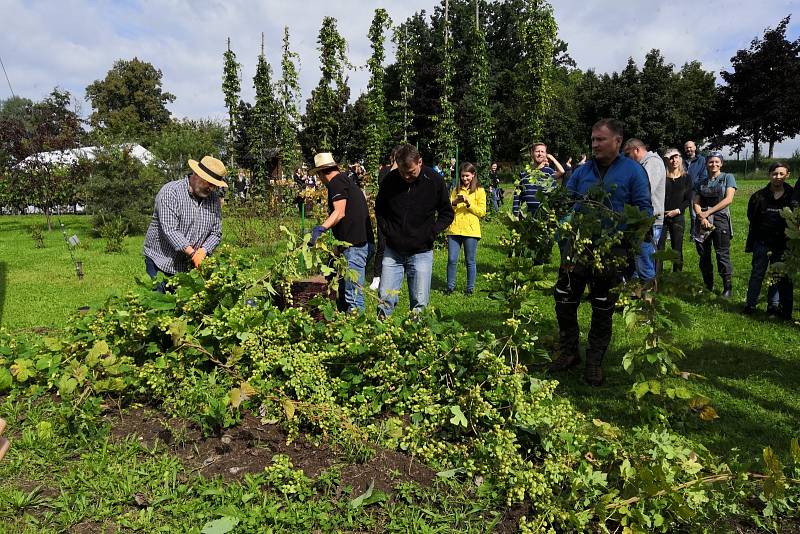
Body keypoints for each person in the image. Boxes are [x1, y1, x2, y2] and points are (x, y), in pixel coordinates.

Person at [549, 119, 652, 386]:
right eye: (593, 139)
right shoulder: (582, 172)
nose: (594, 144)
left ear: (617, 141)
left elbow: (644, 211)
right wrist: (564, 237)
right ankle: (569, 351)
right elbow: (568, 204)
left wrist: (628, 243)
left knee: (603, 306)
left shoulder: (633, 172)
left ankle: (594, 361)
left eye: (600, 140)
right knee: (564, 299)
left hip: (611, 250)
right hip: (579, 247)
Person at [375, 143, 454, 317]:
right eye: (403, 173)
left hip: (421, 251)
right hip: (393, 251)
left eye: (411, 173)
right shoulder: (390, 180)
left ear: (420, 162)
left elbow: (447, 213)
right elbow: (379, 208)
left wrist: (431, 233)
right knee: (385, 299)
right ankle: (379, 335)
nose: (406, 177)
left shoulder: (434, 181)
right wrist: (387, 230)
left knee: (420, 302)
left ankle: (416, 339)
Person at [142, 155, 226, 291]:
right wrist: (193, 253)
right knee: (159, 305)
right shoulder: (171, 192)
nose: (212, 188)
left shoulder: (214, 200)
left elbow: (216, 233)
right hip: (161, 261)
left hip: (188, 266)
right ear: (197, 174)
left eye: (215, 185)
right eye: (209, 183)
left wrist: (203, 251)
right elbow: (170, 230)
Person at [308, 153, 374, 313]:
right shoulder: (345, 181)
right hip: (355, 245)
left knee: (353, 296)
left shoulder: (336, 183)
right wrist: (337, 250)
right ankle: (347, 327)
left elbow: (340, 212)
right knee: (345, 292)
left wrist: (320, 228)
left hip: (356, 247)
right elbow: (350, 219)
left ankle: (360, 332)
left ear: (321, 173)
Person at [744, 162, 794, 318]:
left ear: (787, 175)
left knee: (776, 276)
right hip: (762, 242)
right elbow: (752, 216)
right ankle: (750, 305)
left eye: (781, 174)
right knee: (757, 273)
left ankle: (773, 306)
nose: (777, 177)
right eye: (774, 174)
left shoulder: (793, 196)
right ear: (769, 175)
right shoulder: (758, 196)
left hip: (783, 243)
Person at [693, 151, 737, 298]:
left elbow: (728, 199)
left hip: (720, 219)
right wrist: (701, 216)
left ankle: (727, 287)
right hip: (703, 220)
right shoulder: (701, 183)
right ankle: (707, 285)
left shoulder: (727, 178)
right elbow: (696, 203)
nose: (714, 164)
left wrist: (709, 212)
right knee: (704, 255)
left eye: (717, 162)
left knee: (722, 254)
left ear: (721, 163)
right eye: (711, 162)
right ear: (706, 164)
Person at [623, 139, 666, 283]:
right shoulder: (644, 164)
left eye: (628, 154)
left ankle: (649, 298)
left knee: (644, 260)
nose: (627, 159)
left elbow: (644, 190)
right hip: (640, 219)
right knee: (637, 259)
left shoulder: (652, 162)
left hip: (649, 220)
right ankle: (637, 295)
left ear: (636, 150)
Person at [445, 162, 487, 295]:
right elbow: (448, 207)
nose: (465, 179)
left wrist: (469, 204)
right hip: (455, 228)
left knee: (470, 260)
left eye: (468, 176)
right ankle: (450, 287)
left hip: (471, 230)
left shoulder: (480, 191)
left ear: (473, 175)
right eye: (463, 176)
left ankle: (470, 288)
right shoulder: (455, 190)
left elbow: (482, 212)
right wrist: (454, 203)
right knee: (452, 259)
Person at [657, 148, 693, 272]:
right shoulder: (661, 177)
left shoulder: (686, 178)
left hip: (677, 217)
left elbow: (689, 199)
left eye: (676, 157)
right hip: (661, 217)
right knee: (659, 248)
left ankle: (677, 277)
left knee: (677, 249)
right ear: (666, 161)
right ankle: (657, 278)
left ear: (680, 158)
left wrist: (677, 210)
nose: (674, 160)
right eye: (670, 158)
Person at [370, 151, 397, 291]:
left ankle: (392, 275)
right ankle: (377, 277)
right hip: (384, 214)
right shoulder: (385, 170)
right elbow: (383, 184)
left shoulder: (405, 173)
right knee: (381, 245)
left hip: (397, 215)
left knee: (396, 246)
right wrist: (394, 168)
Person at [512, 142, 564, 216]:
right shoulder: (523, 174)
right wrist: (515, 213)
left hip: (544, 216)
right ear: (532, 153)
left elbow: (554, 196)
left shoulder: (549, 172)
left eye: (542, 151)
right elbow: (517, 195)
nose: (540, 154)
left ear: (545, 154)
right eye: (537, 151)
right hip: (526, 216)